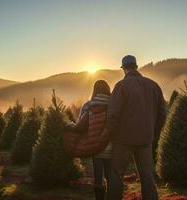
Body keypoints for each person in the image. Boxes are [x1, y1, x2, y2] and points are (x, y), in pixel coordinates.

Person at [101, 55, 166, 200]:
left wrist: (108, 135)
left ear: (124, 68)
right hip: (145, 139)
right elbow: (162, 114)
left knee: (117, 174)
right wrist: (153, 133)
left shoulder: (121, 86)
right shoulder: (154, 85)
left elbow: (112, 115)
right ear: (136, 66)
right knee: (147, 175)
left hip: (123, 139)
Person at [68, 80, 112, 200]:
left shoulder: (89, 105)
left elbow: (80, 125)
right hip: (112, 147)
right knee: (110, 176)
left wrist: (70, 124)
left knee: (98, 176)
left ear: (95, 90)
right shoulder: (114, 105)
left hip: (95, 147)